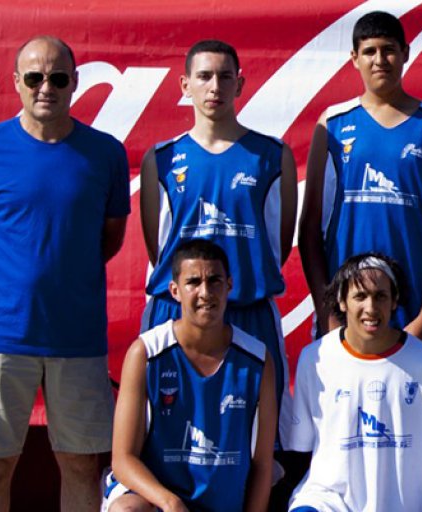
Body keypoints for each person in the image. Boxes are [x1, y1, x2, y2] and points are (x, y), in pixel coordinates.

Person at [0, 36, 129, 512]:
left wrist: (65, 276)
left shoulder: (105, 154)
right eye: (35, 77)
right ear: (16, 82)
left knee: (81, 465)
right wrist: (0, 283)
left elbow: (110, 237)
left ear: (75, 82)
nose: (46, 88)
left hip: (76, 338)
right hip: (0, 336)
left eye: (57, 78)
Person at [139, 40, 297, 448]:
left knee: (256, 443)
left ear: (239, 84)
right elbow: (158, 248)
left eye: (225, 77)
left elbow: (279, 242)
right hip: (175, 314)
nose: (215, 87)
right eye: (204, 77)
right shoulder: (162, 159)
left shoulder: (272, 156)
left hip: (248, 313)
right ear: (185, 85)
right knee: (165, 436)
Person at [298, 10, 422, 357]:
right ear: (354, 58)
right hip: (346, 312)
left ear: (405, 53)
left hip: (413, 308)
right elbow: (310, 227)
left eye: (388, 50)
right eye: (369, 51)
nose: (379, 60)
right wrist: (328, 314)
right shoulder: (332, 125)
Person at [104, 240, 276, 512]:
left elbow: (263, 464)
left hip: (223, 505)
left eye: (215, 280)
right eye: (193, 282)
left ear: (229, 285)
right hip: (159, 502)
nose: (205, 292)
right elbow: (123, 459)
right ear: (175, 290)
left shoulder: (257, 360)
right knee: (126, 510)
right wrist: (170, 502)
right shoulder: (145, 353)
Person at [286, 253, 422, 511]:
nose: (370, 307)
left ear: (394, 301)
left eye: (380, 296)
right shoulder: (315, 358)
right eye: (360, 296)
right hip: (326, 501)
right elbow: (302, 448)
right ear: (342, 302)